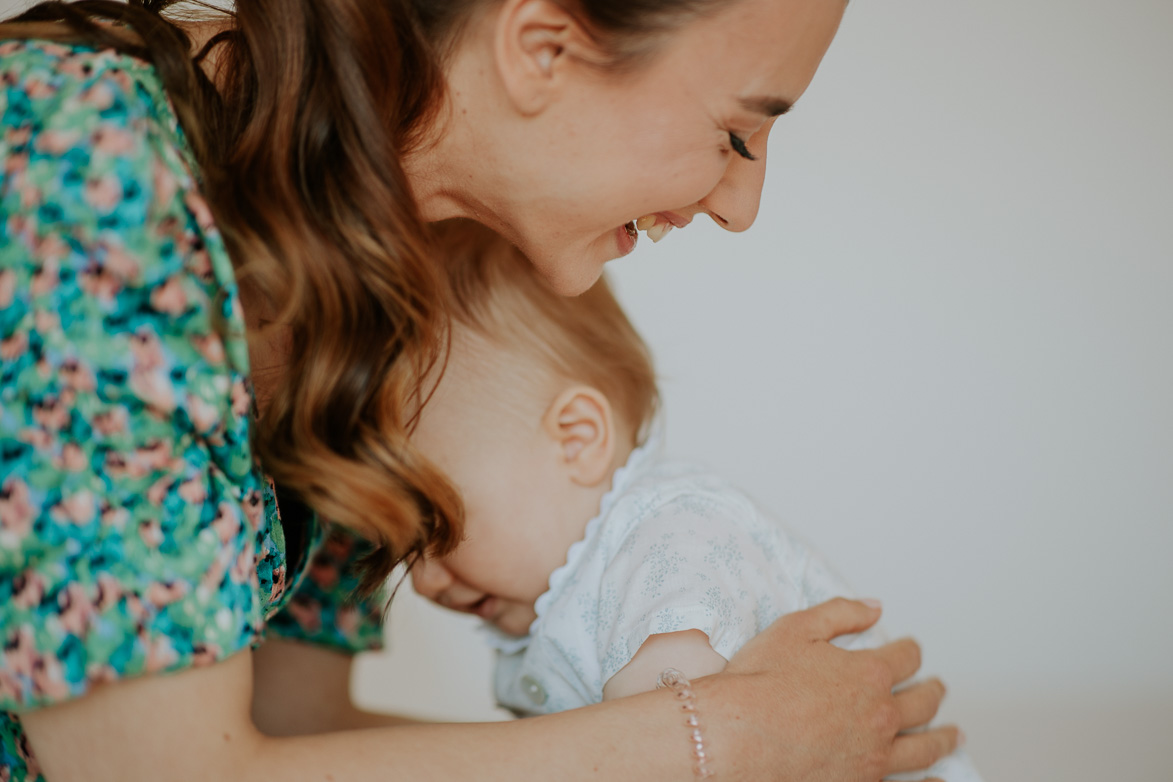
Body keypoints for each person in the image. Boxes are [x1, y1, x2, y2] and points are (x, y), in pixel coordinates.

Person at [0, 0, 962, 780]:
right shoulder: (72, 158)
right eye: (737, 132)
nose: (740, 206)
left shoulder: (405, 280)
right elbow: (154, 770)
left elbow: (290, 721)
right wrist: (724, 741)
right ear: (540, 47)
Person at [407, 221, 981, 780]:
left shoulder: (669, 546)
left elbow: (669, 755)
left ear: (578, 439)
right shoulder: (553, 601)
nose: (425, 583)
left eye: (436, 525)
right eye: (402, 547)